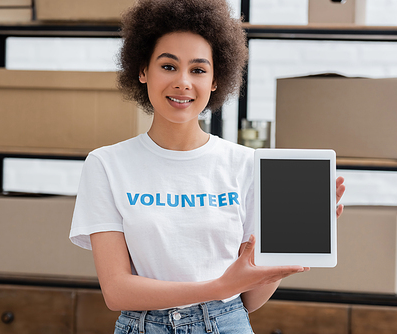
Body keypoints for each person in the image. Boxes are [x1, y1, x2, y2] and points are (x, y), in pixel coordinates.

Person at [69, 0, 346, 333]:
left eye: (198, 70)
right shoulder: (108, 164)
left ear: (216, 80)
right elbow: (116, 291)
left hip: (228, 323)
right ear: (142, 70)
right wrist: (219, 288)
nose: (183, 82)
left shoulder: (247, 165)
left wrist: (296, 238)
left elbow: (250, 299)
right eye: (168, 66)